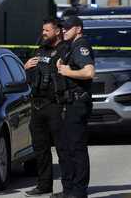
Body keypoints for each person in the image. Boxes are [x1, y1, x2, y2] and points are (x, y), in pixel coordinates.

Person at [51, 16, 95, 198]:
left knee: (77, 148)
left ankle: (79, 190)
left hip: (77, 103)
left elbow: (89, 72)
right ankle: (69, 189)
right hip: (68, 103)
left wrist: (68, 71)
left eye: (68, 28)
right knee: (66, 147)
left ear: (78, 29)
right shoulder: (70, 47)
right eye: (62, 28)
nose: (64, 30)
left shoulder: (81, 45)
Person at [23, 18, 67, 197]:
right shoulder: (40, 49)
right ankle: (44, 185)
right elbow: (31, 76)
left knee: (63, 149)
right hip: (37, 105)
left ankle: (68, 187)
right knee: (40, 149)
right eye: (43, 30)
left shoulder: (65, 49)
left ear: (57, 31)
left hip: (56, 105)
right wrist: (25, 68)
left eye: (47, 30)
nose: (43, 33)